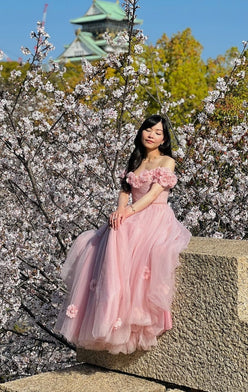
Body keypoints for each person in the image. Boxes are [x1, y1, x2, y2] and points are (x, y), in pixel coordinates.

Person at [55, 115, 191, 354]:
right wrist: (120, 210)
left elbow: (151, 195)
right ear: (141, 132)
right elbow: (125, 191)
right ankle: (108, 313)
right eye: (148, 130)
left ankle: (132, 314)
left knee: (127, 234)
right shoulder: (136, 160)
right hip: (132, 213)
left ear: (164, 138)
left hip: (155, 214)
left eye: (158, 132)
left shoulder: (166, 161)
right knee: (100, 237)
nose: (151, 135)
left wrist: (128, 212)